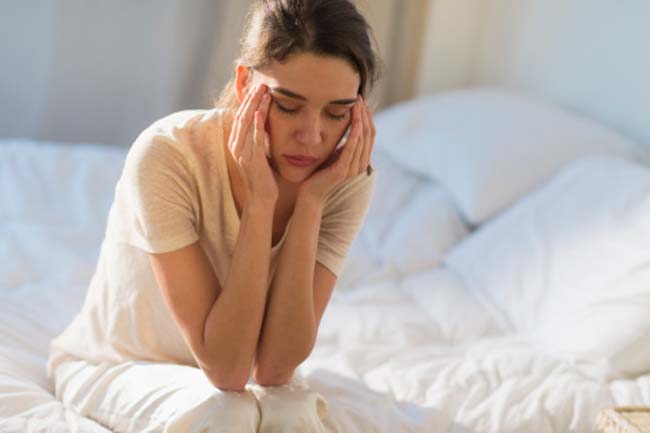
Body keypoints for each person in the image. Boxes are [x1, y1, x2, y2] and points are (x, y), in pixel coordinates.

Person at [45, 0, 382, 431]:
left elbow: (275, 369)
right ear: (245, 84)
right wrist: (261, 202)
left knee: (290, 412)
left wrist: (311, 204)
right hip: (117, 366)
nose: (312, 136)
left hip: (237, 377)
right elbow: (227, 372)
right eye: (287, 105)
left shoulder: (343, 180)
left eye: (336, 113)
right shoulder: (168, 155)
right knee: (225, 412)